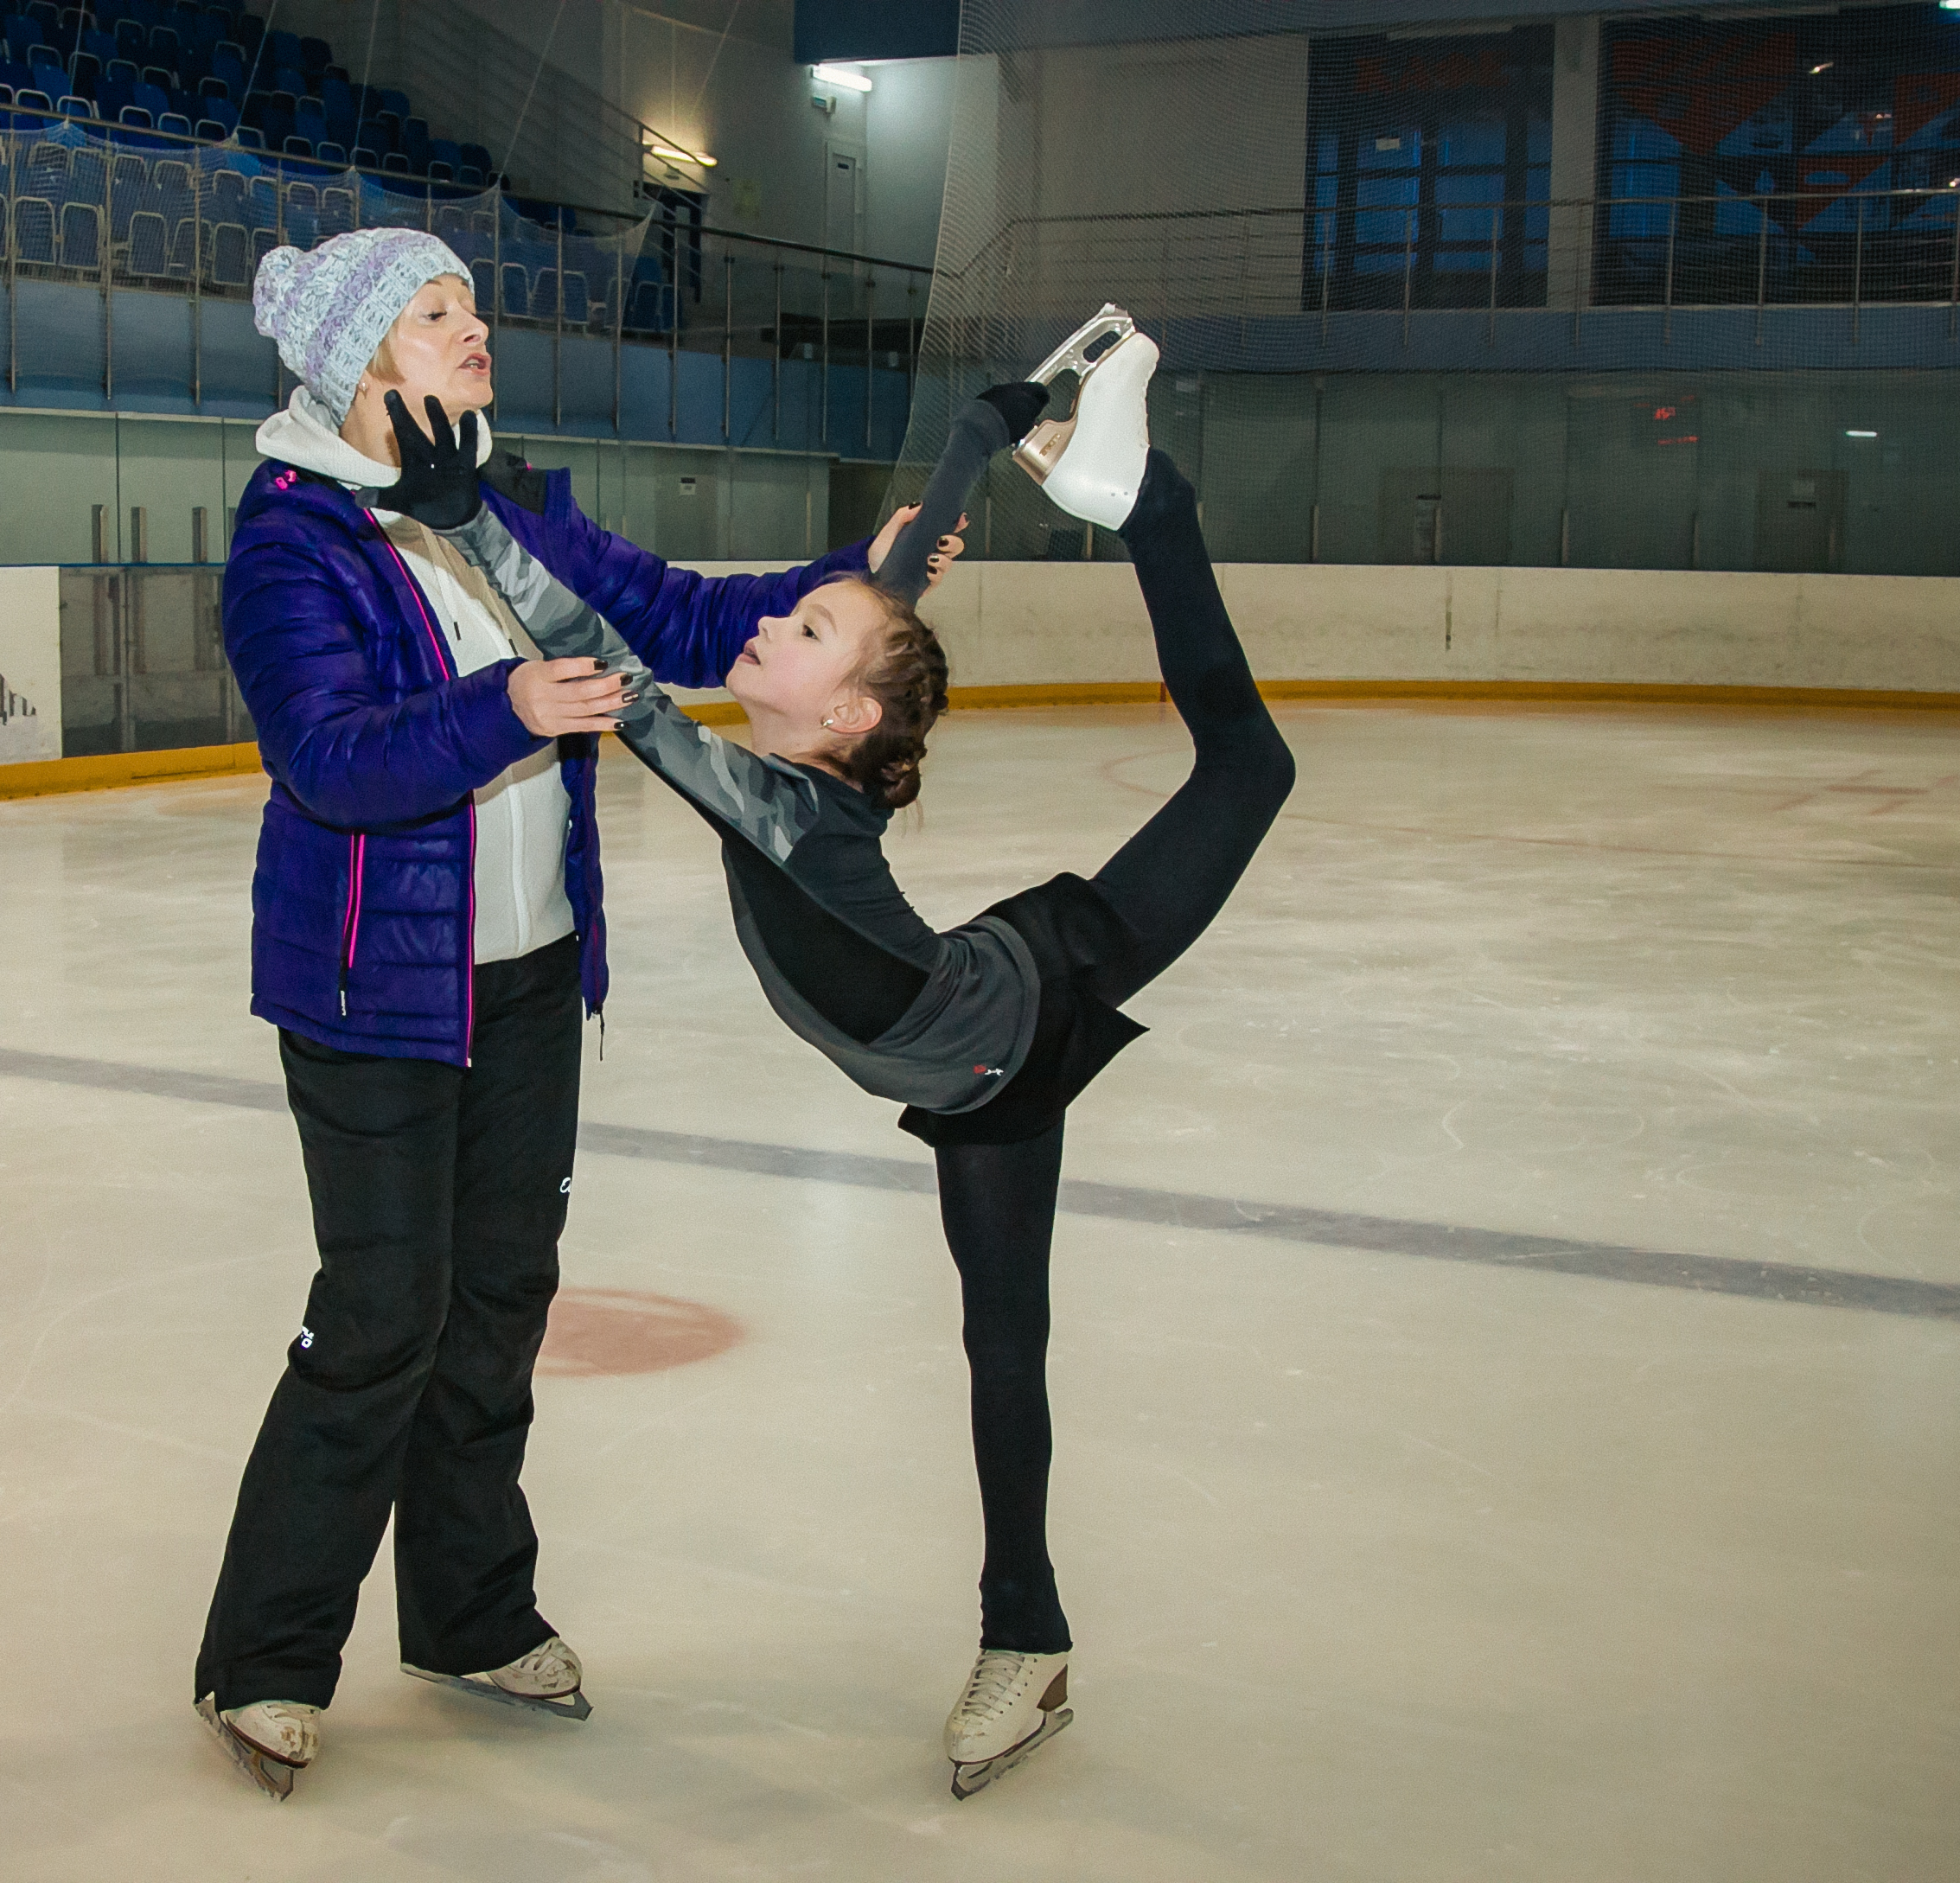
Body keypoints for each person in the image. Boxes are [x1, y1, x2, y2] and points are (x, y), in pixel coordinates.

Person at [386, 311, 1294, 1799]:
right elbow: (883, 588)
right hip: (979, 1042)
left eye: (800, 633)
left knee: (1251, 762)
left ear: (845, 711)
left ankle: (1156, 501)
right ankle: (1031, 1636)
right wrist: (969, 440)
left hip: (1021, 1016)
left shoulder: (778, 802)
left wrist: (468, 517)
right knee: (1002, 1345)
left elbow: (603, 651)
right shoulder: (805, 773)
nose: (774, 621)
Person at [195, 226, 959, 1800]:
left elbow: (678, 614)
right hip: (371, 989)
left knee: (498, 1308)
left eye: (474, 302)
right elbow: (329, 760)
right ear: (355, 361)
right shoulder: (293, 541)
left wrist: (856, 583)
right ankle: (264, 1655)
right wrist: (506, 705)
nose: (475, 329)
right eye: (433, 311)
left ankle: (470, 1614)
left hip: (530, 967)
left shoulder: (507, 504)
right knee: (382, 1316)